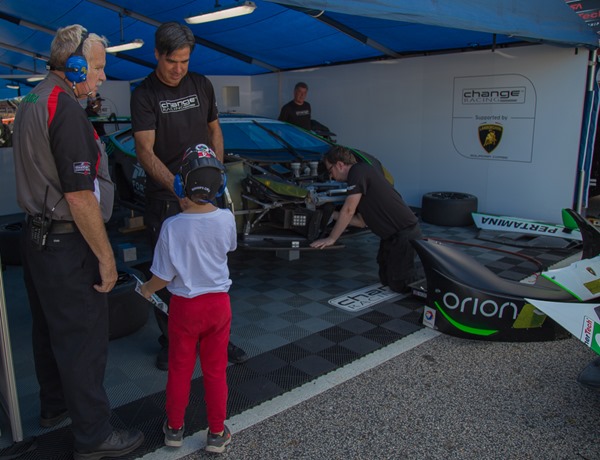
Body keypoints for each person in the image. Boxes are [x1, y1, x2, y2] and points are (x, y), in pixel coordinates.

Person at [12, 24, 144, 459]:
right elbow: (80, 196)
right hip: (67, 244)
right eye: (99, 67)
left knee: (50, 330)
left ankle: (54, 408)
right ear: (74, 65)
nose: (103, 77)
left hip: (38, 240)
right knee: (83, 340)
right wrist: (106, 258)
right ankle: (93, 437)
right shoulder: (65, 108)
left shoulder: (33, 97)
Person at [130, 21, 248, 370]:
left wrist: (217, 174)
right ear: (157, 54)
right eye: (172, 62)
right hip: (166, 198)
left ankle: (218, 337)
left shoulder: (201, 84)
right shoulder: (145, 94)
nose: (179, 69)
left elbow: (215, 130)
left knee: (214, 267)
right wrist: (176, 187)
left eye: (184, 61)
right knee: (168, 271)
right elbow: (144, 151)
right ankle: (172, 341)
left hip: (206, 196)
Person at [140, 144, 234, 454]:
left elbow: (163, 277)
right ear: (218, 185)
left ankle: (175, 430)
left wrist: (147, 290)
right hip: (219, 306)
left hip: (185, 308)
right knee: (215, 370)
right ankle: (217, 433)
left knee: (180, 369)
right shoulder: (226, 219)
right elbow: (227, 249)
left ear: (180, 184)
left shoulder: (171, 227)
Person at [310, 146, 422, 293]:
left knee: (399, 283)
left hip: (405, 233)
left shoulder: (358, 171)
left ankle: (432, 284)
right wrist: (330, 214)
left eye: (330, 170)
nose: (331, 176)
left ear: (340, 164)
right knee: (385, 277)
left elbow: (349, 210)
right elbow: (361, 222)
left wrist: (331, 238)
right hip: (391, 236)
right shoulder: (360, 180)